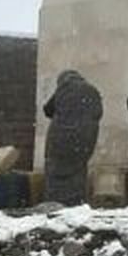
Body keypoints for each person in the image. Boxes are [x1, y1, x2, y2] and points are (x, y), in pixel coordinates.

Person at [43, 70, 103, 206]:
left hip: (61, 139)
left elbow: (47, 110)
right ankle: (76, 205)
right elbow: (98, 113)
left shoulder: (65, 88)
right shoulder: (93, 90)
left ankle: (55, 205)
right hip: (85, 141)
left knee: (55, 173)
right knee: (78, 171)